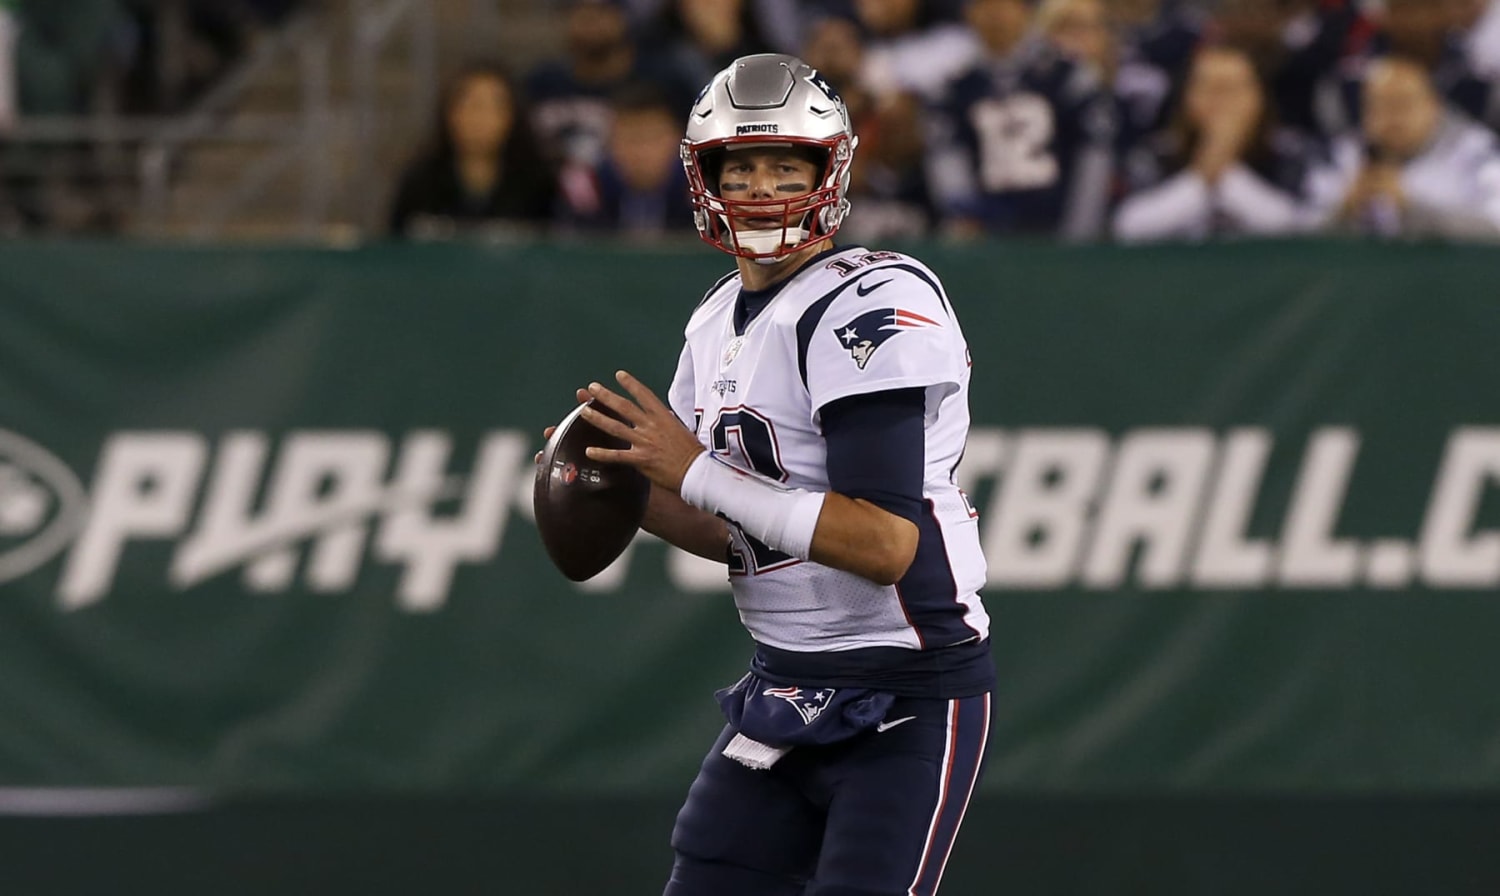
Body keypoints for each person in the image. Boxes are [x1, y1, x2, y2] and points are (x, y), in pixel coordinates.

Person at [545, 53, 993, 895]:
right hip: (784, 683)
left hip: (905, 690)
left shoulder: (871, 302)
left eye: (786, 164)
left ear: (830, 170)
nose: (760, 186)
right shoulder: (717, 316)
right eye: (740, 165)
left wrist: (693, 471)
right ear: (704, 176)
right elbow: (737, 533)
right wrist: (630, 489)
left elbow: (886, 544)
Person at [925, 0, 1118, 239]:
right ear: (969, 14)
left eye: (1005, 6)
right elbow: (947, 158)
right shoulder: (953, 88)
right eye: (984, 7)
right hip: (989, 233)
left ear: (1025, 11)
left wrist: (1079, 233)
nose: (996, 16)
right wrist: (964, 216)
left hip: (1057, 223)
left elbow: (1093, 156)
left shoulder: (1067, 77)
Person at [1113, 44, 1323, 242]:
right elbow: (1129, 226)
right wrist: (1201, 175)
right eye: (1210, 88)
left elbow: (1300, 226)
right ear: (1187, 98)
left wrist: (1224, 169)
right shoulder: (1155, 153)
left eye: (1233, 89)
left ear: (1260, 98)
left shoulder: (1291, 151)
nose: (1222, 101)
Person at [1310, 55, 1500, 240]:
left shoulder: (1478, 153)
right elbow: (1298, 238)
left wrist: (1412, 209)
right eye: (1380, 105)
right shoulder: (1343, 157)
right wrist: (1343, 212)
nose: (1392, 116)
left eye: (1404, 103)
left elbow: (1494, 230)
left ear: (1434, 106)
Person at [388, 62, 555, 239]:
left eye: (495, 107)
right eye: (471, 105)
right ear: (449, 113)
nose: (481, 119)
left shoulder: (539, 185)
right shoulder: (419, 182)